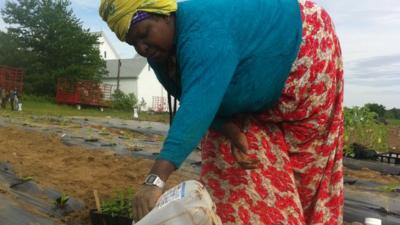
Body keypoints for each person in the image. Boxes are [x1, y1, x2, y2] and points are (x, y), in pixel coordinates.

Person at [99, 0, 344, 224]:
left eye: (144, 34)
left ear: (165, 15)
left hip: (305, 52)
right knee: (234, 168)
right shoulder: (160, 56)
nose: (142, 48)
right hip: (249, 100)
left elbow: (197, 105)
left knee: (307, 171)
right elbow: (192, 100)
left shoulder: (204, 28)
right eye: (133, 43)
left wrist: (154, 180)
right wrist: (230, 130)